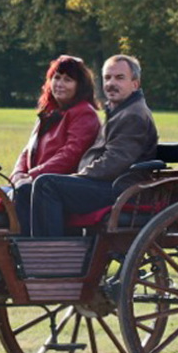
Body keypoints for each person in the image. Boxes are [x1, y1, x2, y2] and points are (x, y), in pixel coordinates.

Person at [19, 54, 159, 236]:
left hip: (119, 189)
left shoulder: (133, 115)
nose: (111, 83)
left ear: (135, 84)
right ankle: (29, 252)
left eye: (119, 78)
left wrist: (78, 176)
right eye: (107, 78)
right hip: (108, 184)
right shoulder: (120, 111)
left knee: (47, 184)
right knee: (31, 187)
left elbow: (114, 163)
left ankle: (52, 253)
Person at [8, 55, 100, 209]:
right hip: (32, 180)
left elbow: (70, 155)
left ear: (80, 86)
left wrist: (32, 175)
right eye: (57, 78)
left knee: (21, 192)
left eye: (68, 80)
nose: (60, 84)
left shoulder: (84, 113)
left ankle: (23, 234)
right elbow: (27, 150)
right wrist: (17, 174)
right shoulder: (49, 112)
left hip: (56, 187)